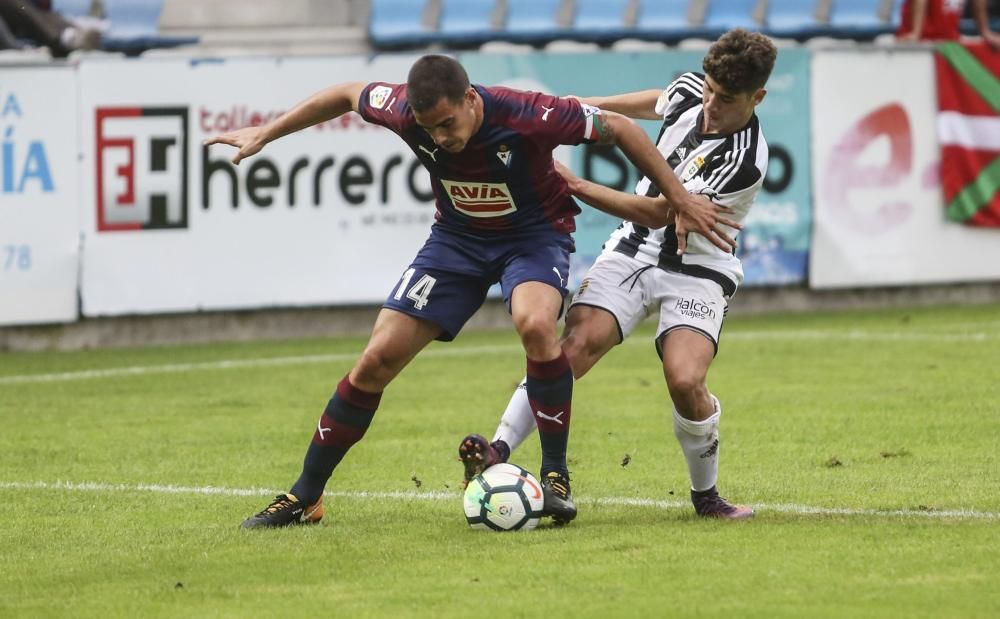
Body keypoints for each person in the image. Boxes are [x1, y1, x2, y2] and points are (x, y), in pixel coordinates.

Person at [205, 54, 737, 529]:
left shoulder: (527, 112)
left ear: (470, 99)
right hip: (455, 242)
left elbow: (621, 128)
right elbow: (347, 93)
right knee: (375, 361)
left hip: (534, 237)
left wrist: (678, 198)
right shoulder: (402, 109)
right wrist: (269, 132)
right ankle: (305, 497)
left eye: (447, 124)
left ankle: (555, 478)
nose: (439, 138)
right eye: (427, 128)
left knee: (535, 324)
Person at [458, 28, 777, 520]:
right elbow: (660, 101)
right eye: (709, 89)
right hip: (632, 251)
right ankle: (497, 450)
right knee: (572, 349)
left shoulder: (744, 160)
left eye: (726, 98)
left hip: (698, 269)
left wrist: (574, 182)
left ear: (758, 96)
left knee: (685, 379)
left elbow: (657, 211)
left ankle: (706, 497)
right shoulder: (696, 90)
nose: (710, 103)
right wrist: (578, 106)